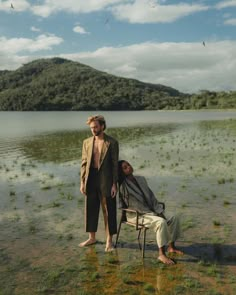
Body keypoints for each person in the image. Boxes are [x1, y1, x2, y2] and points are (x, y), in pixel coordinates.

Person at [118, 160, 183, 264]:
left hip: (151, 211)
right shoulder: (122, 186)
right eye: (125, 168)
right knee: (160, 222)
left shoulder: (141, 179)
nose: (129, 167)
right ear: (121, 172)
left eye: (128, 165)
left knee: (174, 217)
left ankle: (171, 246)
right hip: (136, 214)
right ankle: (161, 254)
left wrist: (159, 211)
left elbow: (151, 197)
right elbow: (124, 204)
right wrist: (155, 214)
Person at [79, 115, 119, 252]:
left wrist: (115, 184)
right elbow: (84, 164)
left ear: (102, 126)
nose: (93, 130)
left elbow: (115, 165)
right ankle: (92, 237)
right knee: (91, 207)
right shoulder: (86, 142)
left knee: (109, 209)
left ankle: (109, 240)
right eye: (91, 127)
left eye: (95, 127)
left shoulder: (112, 142)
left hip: (106, 179)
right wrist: (82, 182)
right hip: (91, 178)